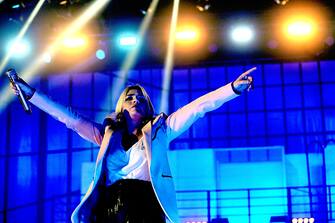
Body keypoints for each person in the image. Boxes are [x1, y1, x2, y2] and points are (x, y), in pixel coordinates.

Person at [10, 67, 256, 223]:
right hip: (110, 206)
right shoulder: (106, 134)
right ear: (121, 106)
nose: (135, 100)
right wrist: (30, 93)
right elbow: (69, 118)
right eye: (130, 97)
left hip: (146, 205)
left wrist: (232, 89)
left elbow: (196, 109)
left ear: (148, 106)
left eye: (141, 98)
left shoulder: (161, 130)